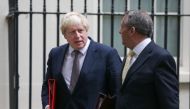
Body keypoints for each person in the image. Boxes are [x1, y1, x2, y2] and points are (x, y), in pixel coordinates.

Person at [41, 12, 122, 109]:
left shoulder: (107, 54)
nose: (77, 35)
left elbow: (117, 91)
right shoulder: (55, 54)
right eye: (72, 32)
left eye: (80, 30)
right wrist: (47, 105)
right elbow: (48, 84)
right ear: (64, 35)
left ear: (86, 31)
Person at [116, 10, 179, 109]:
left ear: (132, 30)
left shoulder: (161, 58)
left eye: (122, 27)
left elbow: (170, 103)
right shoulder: (129, 56)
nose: (119, 31)